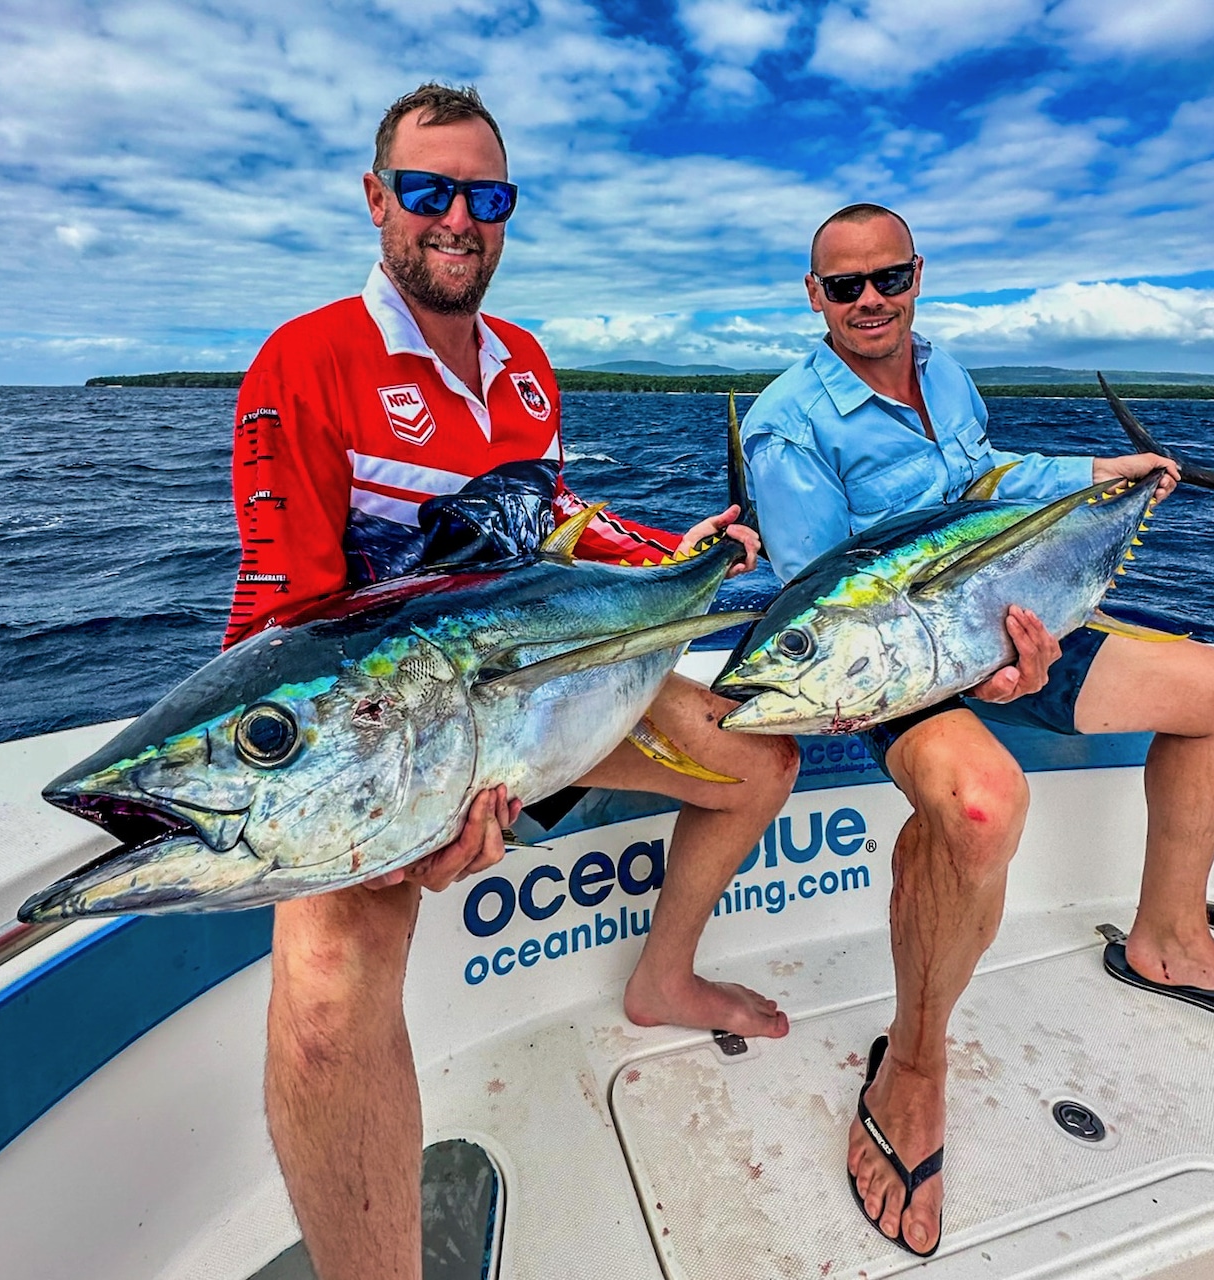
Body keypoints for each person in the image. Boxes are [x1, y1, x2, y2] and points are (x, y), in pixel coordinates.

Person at [225, 83, 798, 1280]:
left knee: (758, 758)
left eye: (483, 197)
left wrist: (675, 555)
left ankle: (662, 975)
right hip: (404, 729)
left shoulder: (524, 365)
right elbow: (283, 610)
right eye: (427, 191)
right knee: (327, 997)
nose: (455, 219)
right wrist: (406, 807)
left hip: (543, 694)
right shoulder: (307, 359)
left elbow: (549, 523)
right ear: (377, 200)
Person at [740, 202, 1214, 1258]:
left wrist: (1099, 478)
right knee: (980, 804)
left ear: (917, 275)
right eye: (845, 286)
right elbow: (823, 599)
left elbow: (990, 479)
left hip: (1009, 620)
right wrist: (968, 674)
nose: (870, 299)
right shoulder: (787, 422)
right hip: (896, 671)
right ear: (813, 297)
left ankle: (1166, 940)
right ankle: (914, 1062)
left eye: (887, 276)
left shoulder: (943, 369)